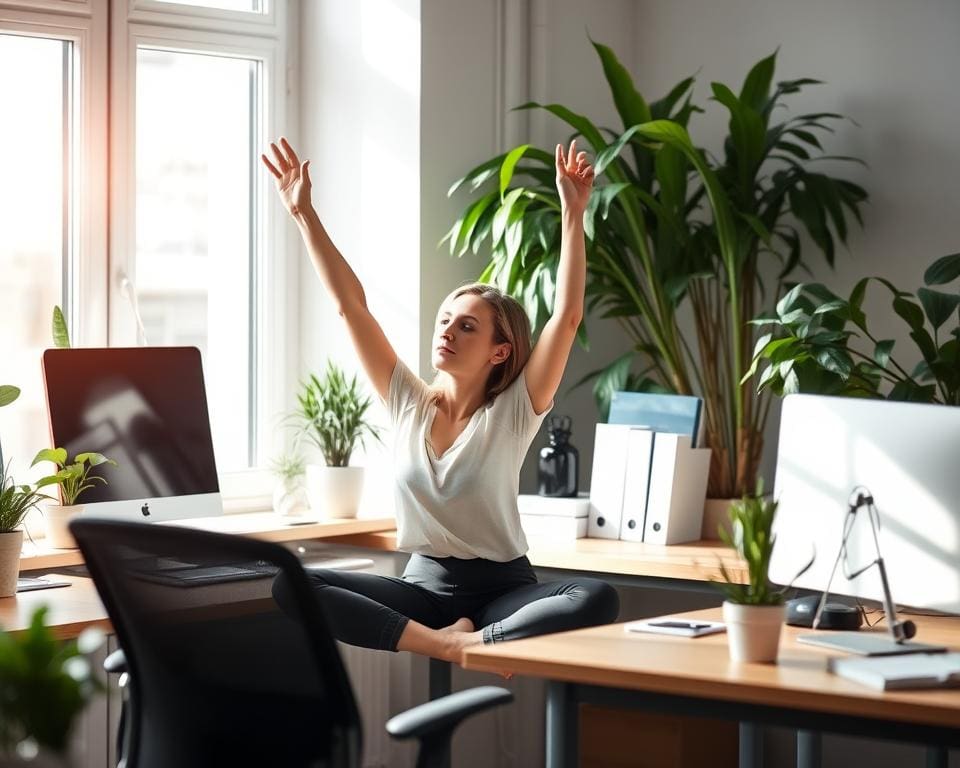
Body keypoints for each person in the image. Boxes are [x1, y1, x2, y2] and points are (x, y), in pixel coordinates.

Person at [263, 136, 619, 665]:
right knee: (289, 584)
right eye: (445, 319)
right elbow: (350, 307)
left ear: (501, 351)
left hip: (505, 592)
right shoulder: (407, 400)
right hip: (422, 591)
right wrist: (303, 214)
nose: (448, 330)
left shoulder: (516, 410)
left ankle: (476, 639)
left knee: (595, 596)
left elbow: (566, 318)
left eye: (467, 325)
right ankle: (443, 642)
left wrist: (573, 212)